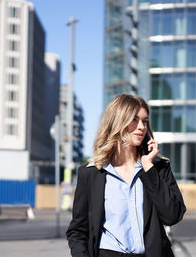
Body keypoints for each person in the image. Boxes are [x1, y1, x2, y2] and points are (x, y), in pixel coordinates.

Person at [66, 94, 186, 257]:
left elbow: (173, 215)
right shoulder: (92, 173)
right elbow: (78, 231)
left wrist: (149, 168)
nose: (142, 127)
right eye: (134, 120)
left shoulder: (158, 168)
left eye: (145, 121)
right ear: (117, 122)